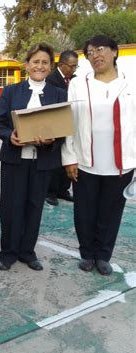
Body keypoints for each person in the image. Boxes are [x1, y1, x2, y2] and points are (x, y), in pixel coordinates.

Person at [62, 35, 136, 276]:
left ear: (115, 51)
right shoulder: (78, 84)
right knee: (84, 210)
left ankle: (104, 255)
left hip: (121, 162)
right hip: (85, 161)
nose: (95, 55)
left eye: (100, 49)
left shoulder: (131, 82)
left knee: (111, 211)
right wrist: (69, 157)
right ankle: (87, 254)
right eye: (90, 53)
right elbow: (68, 122)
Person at [0, 43, 67, 272]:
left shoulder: (59, 94)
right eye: (36, 62)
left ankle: (27, 251)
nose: (40, 66)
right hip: (14, 160)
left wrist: (52, 140)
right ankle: (8, 252)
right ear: (27, 65)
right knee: (10, 207)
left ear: (50, 67)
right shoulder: (11, 91)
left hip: (42, 162)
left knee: (34, 206)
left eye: (45, 62)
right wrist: (9, 136)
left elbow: (63, 128)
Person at [45, 50, 79, 206]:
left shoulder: (75, 80)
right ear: (61, 65)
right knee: (56, 158)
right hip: (56, 122)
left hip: (72, 122)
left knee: (69, 156)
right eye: (71, 66)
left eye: (75, 67)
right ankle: (50, 192)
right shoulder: (50, 80)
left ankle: (63, 190)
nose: (73, 70)